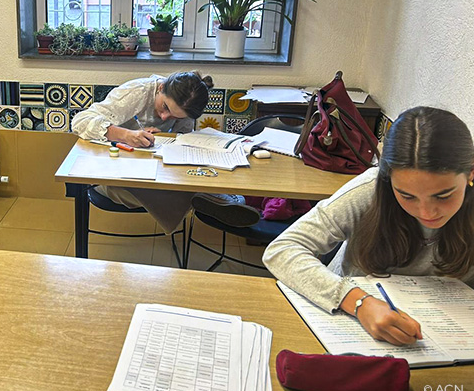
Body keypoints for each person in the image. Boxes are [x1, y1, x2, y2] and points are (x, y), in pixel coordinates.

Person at [263, 106, 474, 346]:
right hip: (349, 328)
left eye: (443, 196)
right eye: (407, 196)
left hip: (450, 339)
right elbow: (282, 249)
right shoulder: (369, 190)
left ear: (470, 172)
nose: (426, 212)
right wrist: (358, 302)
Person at [71, 71, 240, 234]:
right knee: (162, 190)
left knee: (176, 181)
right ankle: (202, 200)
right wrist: (126, 135)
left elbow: (183, 138)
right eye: (165, 107)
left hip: (152, 169)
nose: (165, 117)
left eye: (175, 117)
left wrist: (164, 136)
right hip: (113, 170)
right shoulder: (137, 92)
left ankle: (202, 199)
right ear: (161, 87)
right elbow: (80, 121)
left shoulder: (187, 107)